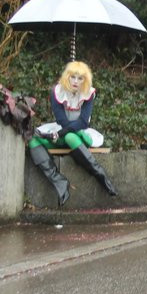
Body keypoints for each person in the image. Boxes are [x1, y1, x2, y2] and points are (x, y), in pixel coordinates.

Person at [27, 60, 117, 204]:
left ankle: (100, 175)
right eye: (73, 77)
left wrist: (60, 134)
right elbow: (62, 120)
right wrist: (57, 134)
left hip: (80, 134)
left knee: (70, 136)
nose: (76, 81)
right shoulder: (57, 92)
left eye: (80, 78)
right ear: (67, 77)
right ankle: (60, 182)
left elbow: (83, 122)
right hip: (61, 131)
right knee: (32, 140)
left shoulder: (89, 94)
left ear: (85, 80)